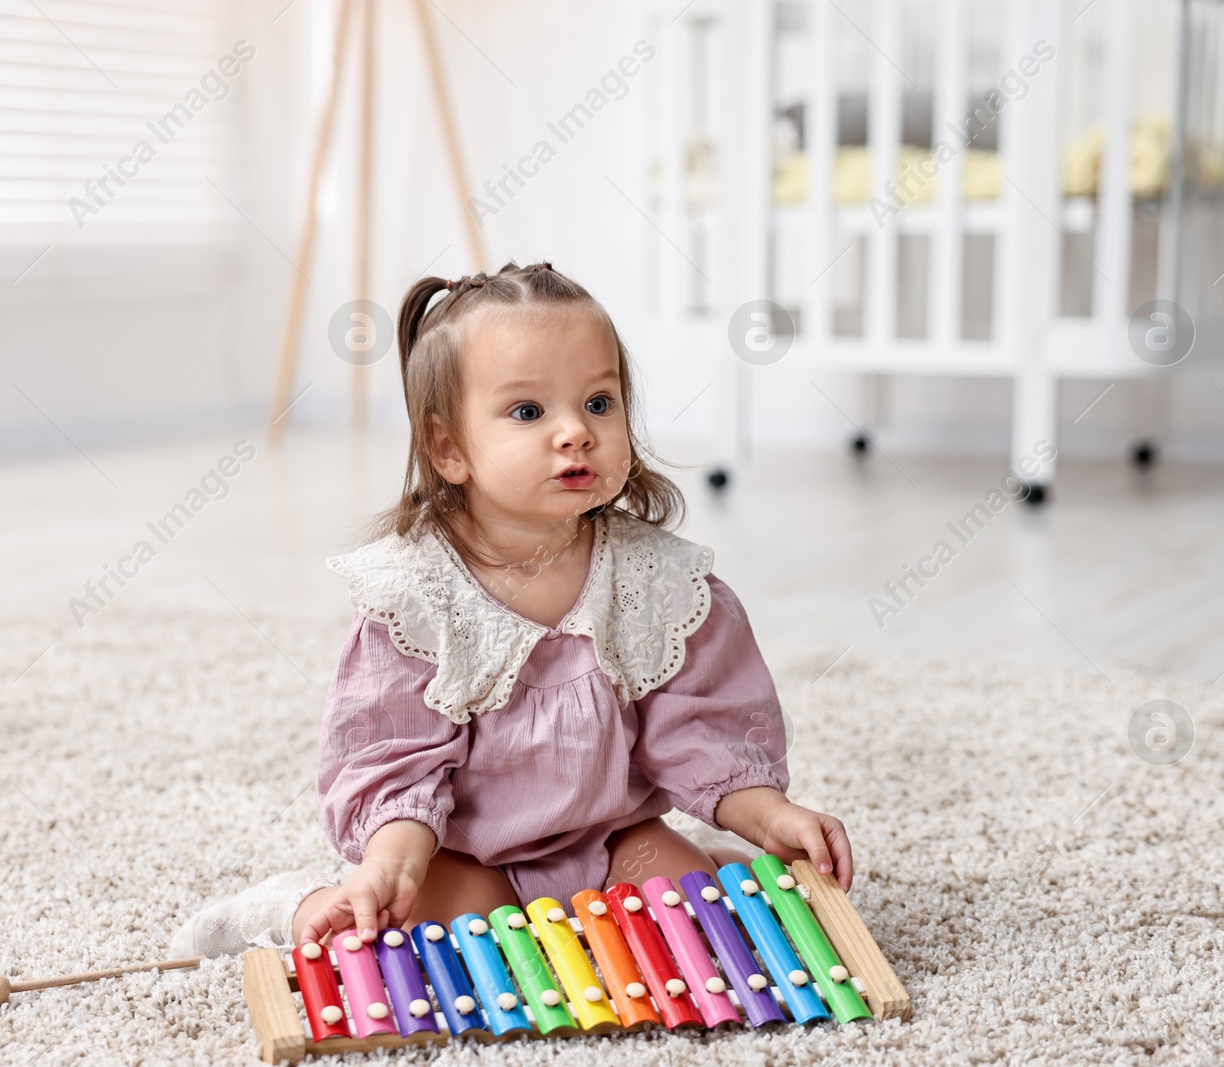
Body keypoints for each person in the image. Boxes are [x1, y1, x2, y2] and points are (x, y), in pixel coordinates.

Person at [169, 261, 852, 960]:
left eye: (598, 403)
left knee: (693, 918)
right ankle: (290, 904)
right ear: (449, 448)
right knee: (436, 941)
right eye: (529, 412)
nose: (575, 433)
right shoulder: (417, 596)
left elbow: (704, 728)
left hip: (611, 836)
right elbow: (393, 757)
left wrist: (769, 816)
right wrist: (393, 862)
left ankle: (692, 854)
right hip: (464, 849)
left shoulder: (657, 582)